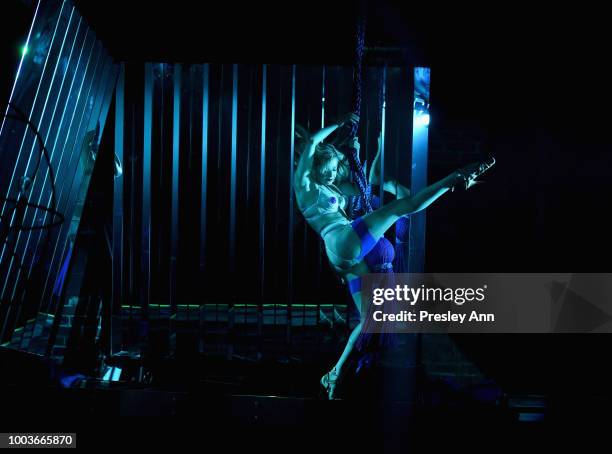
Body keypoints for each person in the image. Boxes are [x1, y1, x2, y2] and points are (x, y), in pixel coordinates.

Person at [293, 113, 495, 398]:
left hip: (342, 255)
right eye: (328, 168)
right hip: (343, 240)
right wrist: (340, 122)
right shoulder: (304, 186)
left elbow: (367, 183)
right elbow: (314, 140)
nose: (332, 174)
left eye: (334, 170)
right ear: (314, 164)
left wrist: (363, 149)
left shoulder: (331, 187)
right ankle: (453, 180)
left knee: (369, 318)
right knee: (402, 207)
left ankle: (334, 372)